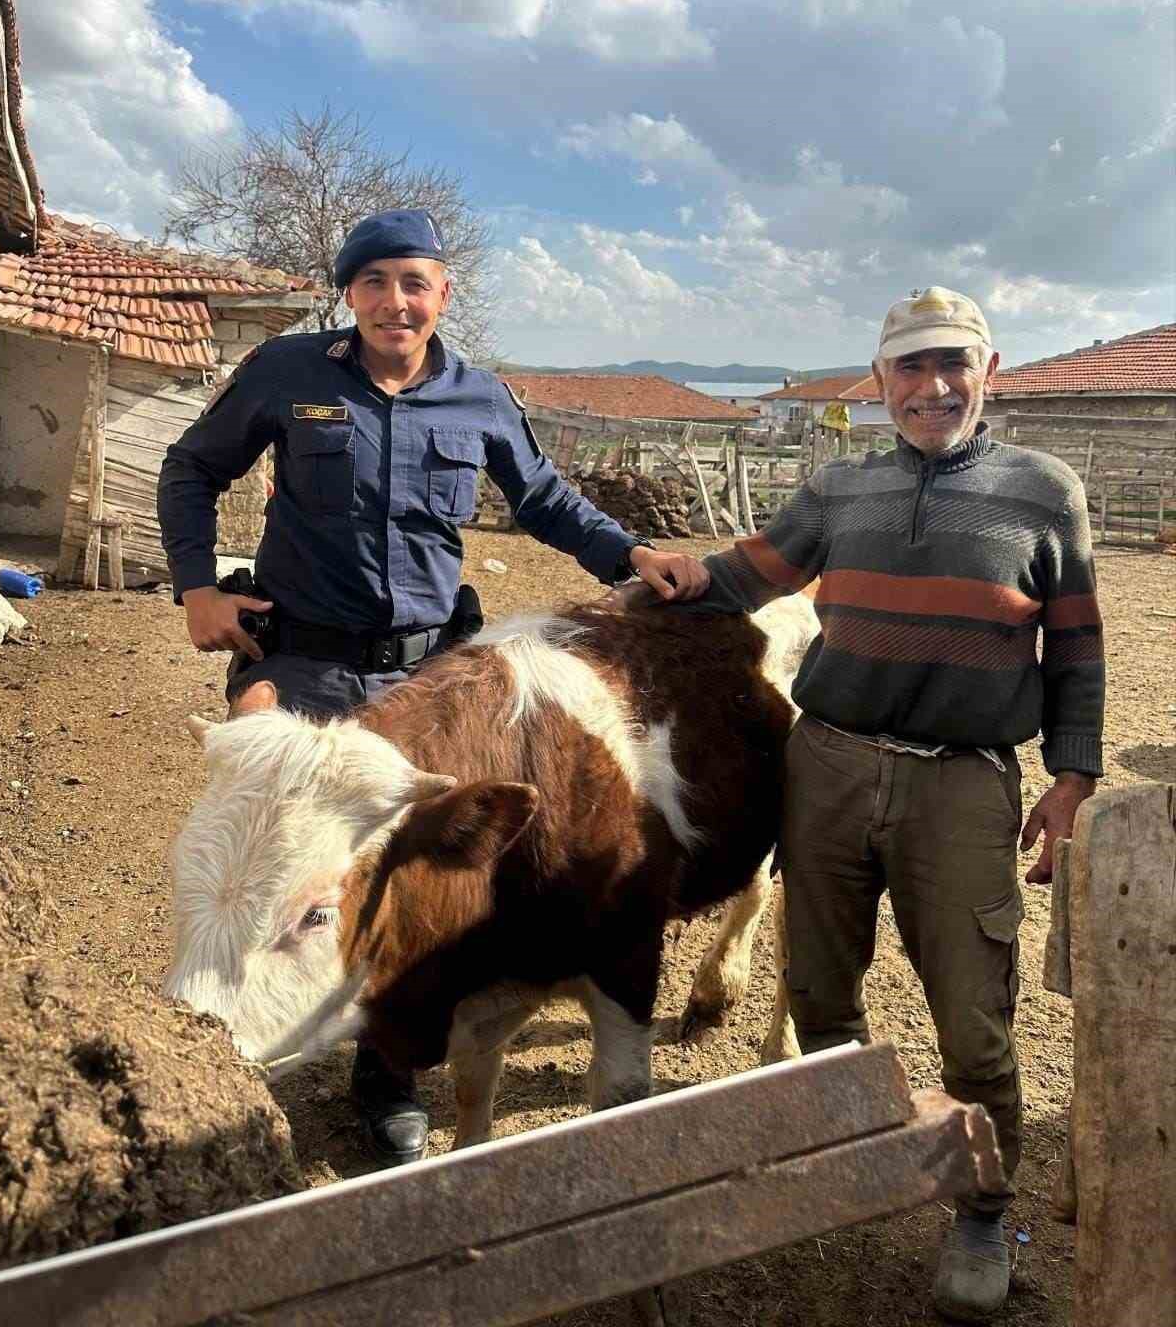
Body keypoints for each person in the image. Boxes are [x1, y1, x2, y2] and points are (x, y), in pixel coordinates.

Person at [157, 207, 708, 1167]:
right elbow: (190, 467)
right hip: (306, 663)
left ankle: (386, 1076)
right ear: (350, 293)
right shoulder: (288, 372)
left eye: (414, 283)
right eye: (374, 282)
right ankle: (219, 1043)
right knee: (275, 861)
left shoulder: (478, 396)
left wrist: (632, 554)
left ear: (443, 294)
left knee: (406, 882)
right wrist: (198, 587)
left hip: (428, 674)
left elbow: (543, 500)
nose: (394, 302)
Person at [678, 286, 1104, 1324]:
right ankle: (851, 1150)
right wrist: (644, 575)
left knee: (974, 1019)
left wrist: (1073, 775)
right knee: (819, 990)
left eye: (953, 362)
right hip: (826, 765)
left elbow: (1076, 645)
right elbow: (743, 577)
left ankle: (983, 1210)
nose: (933, 386)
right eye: (911, 366)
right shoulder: (838, 488)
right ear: (880, 382)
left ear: (989, 370)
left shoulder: (1044, 492)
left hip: (962, 781)